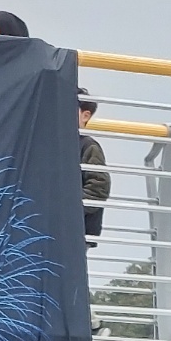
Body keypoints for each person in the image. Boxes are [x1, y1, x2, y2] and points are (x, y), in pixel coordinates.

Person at [78, 88, 111, 246]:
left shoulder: (88, 146)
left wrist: (70, 208)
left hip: (79, 230)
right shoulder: (53, 145)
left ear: (85, 115)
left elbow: (98, 187)